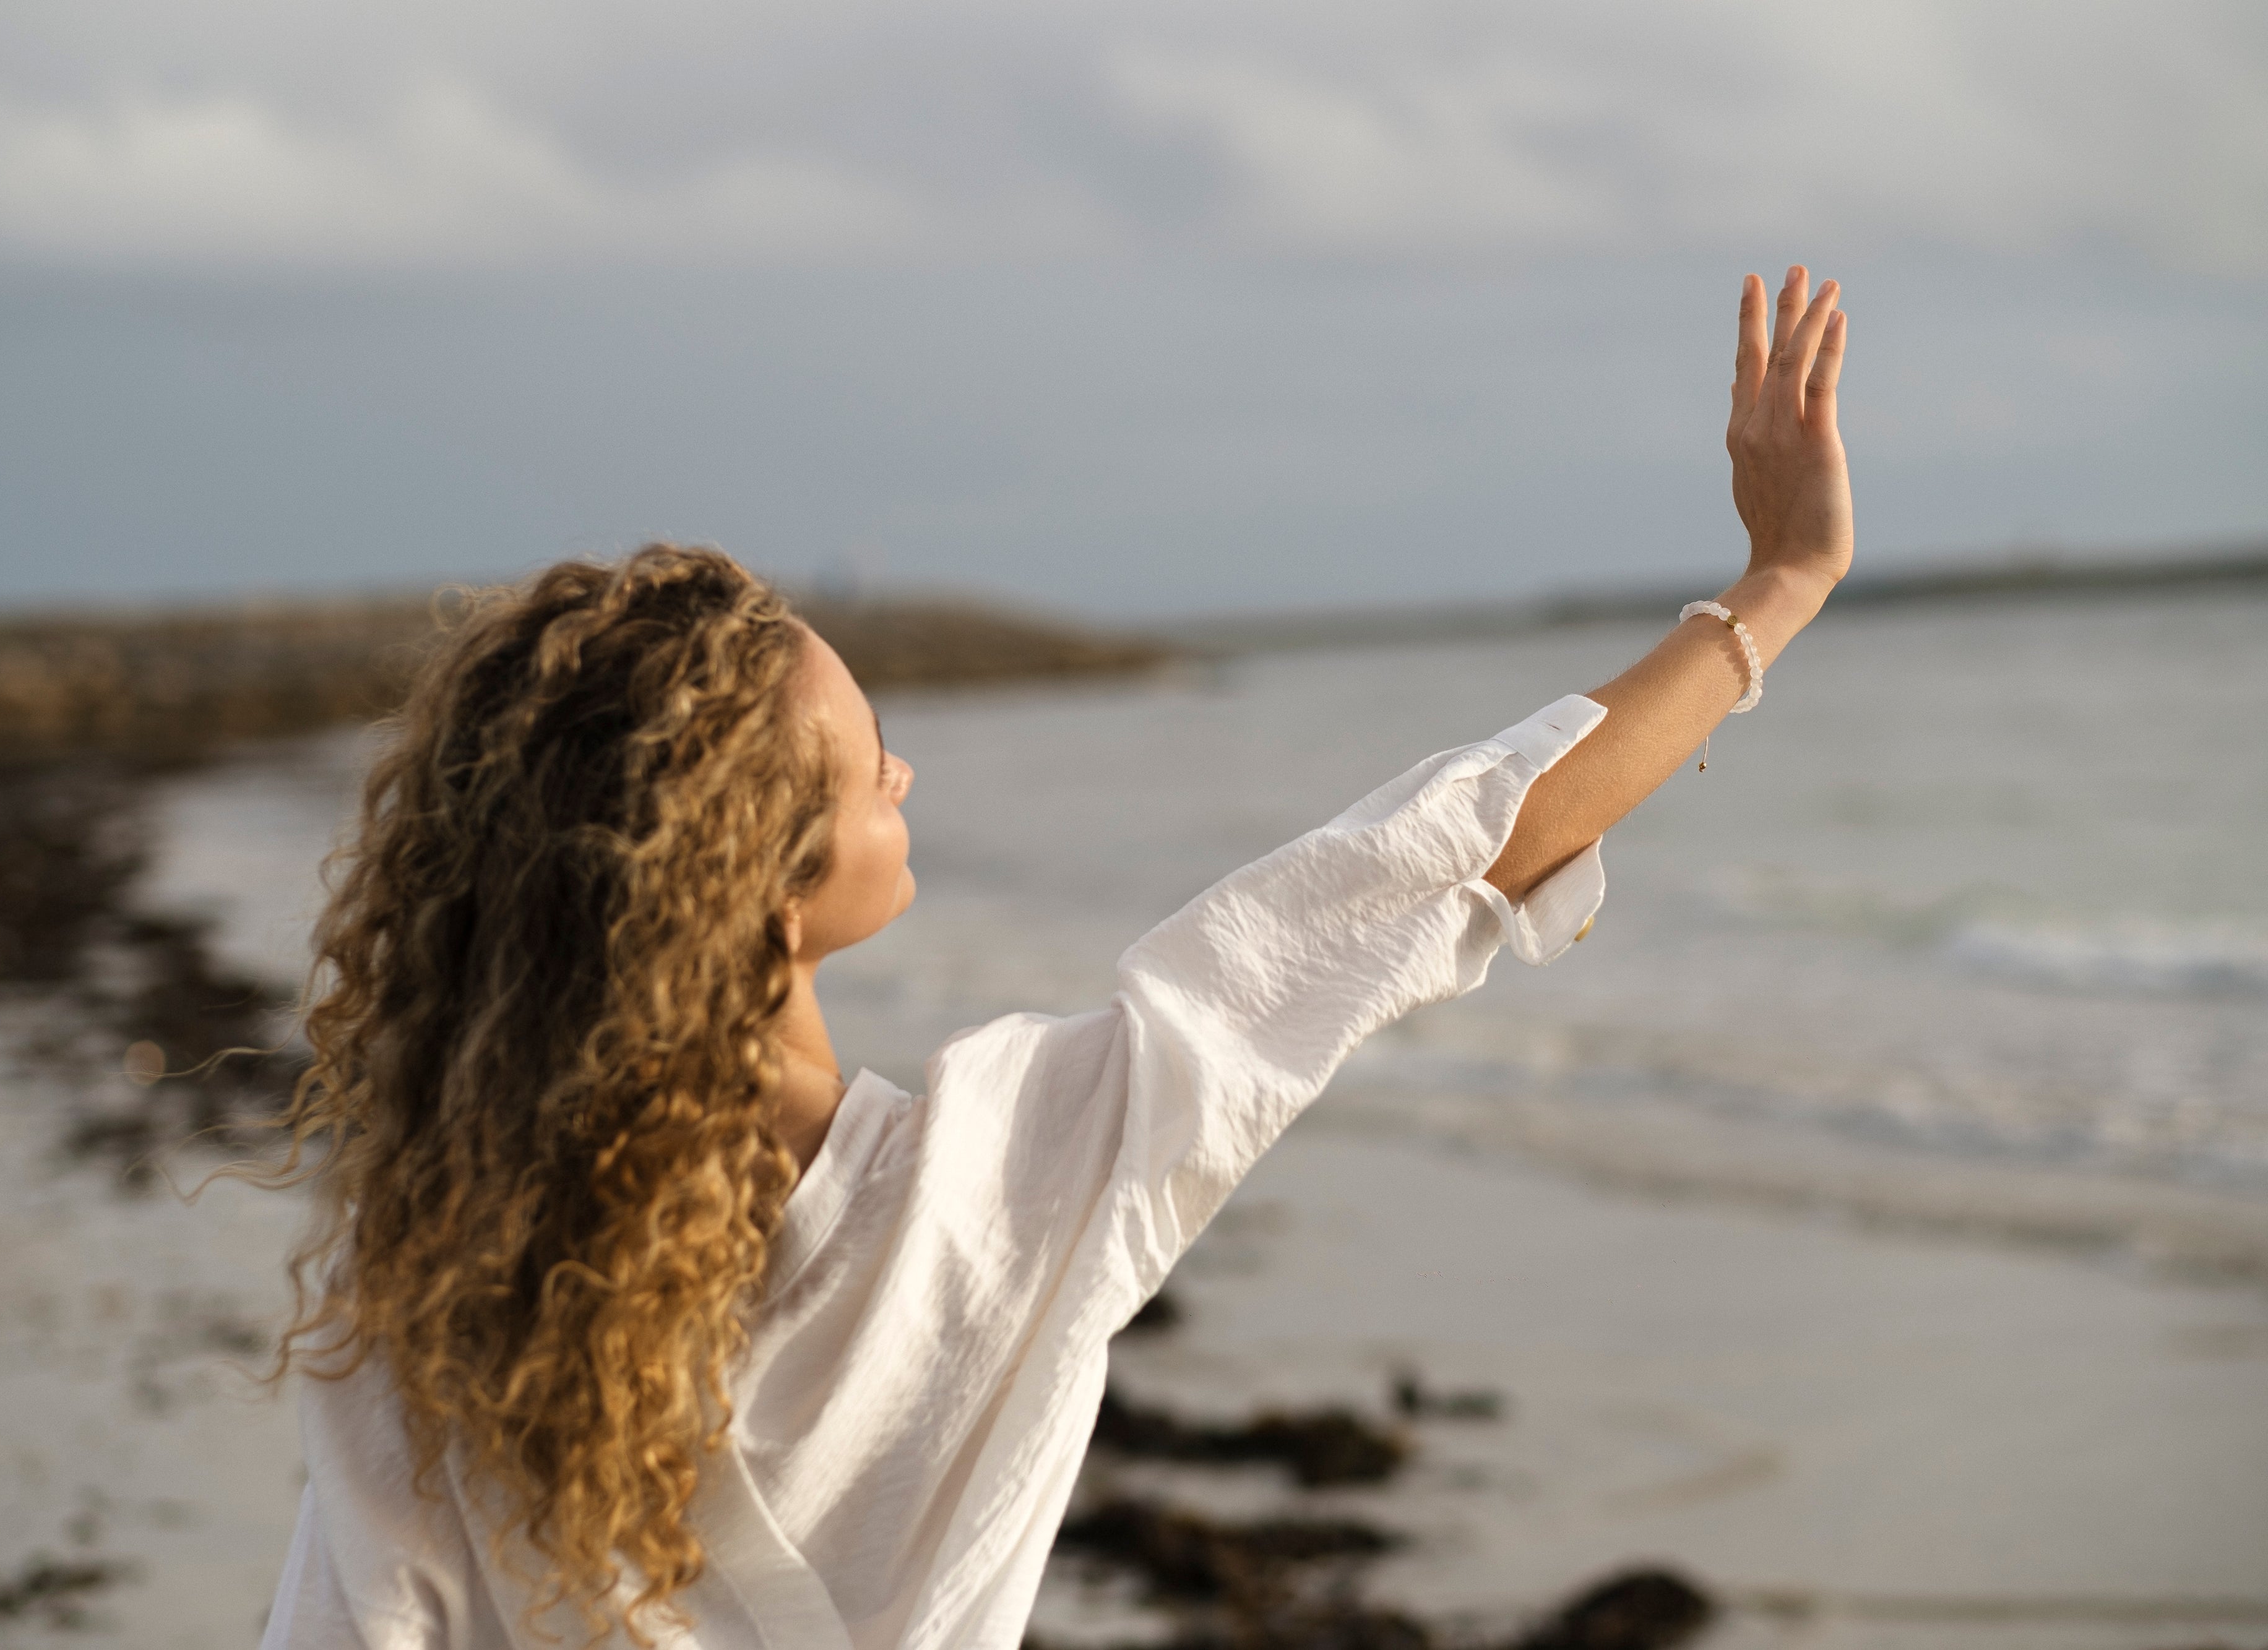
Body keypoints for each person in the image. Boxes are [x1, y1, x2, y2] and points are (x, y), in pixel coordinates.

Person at [255, 268, 1852, 1649]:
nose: (902, 775)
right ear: (757, 877)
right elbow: (1441, 859)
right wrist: (1782, 584)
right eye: (871, 752)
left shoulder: (431, 1334)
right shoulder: (1011, 1184)